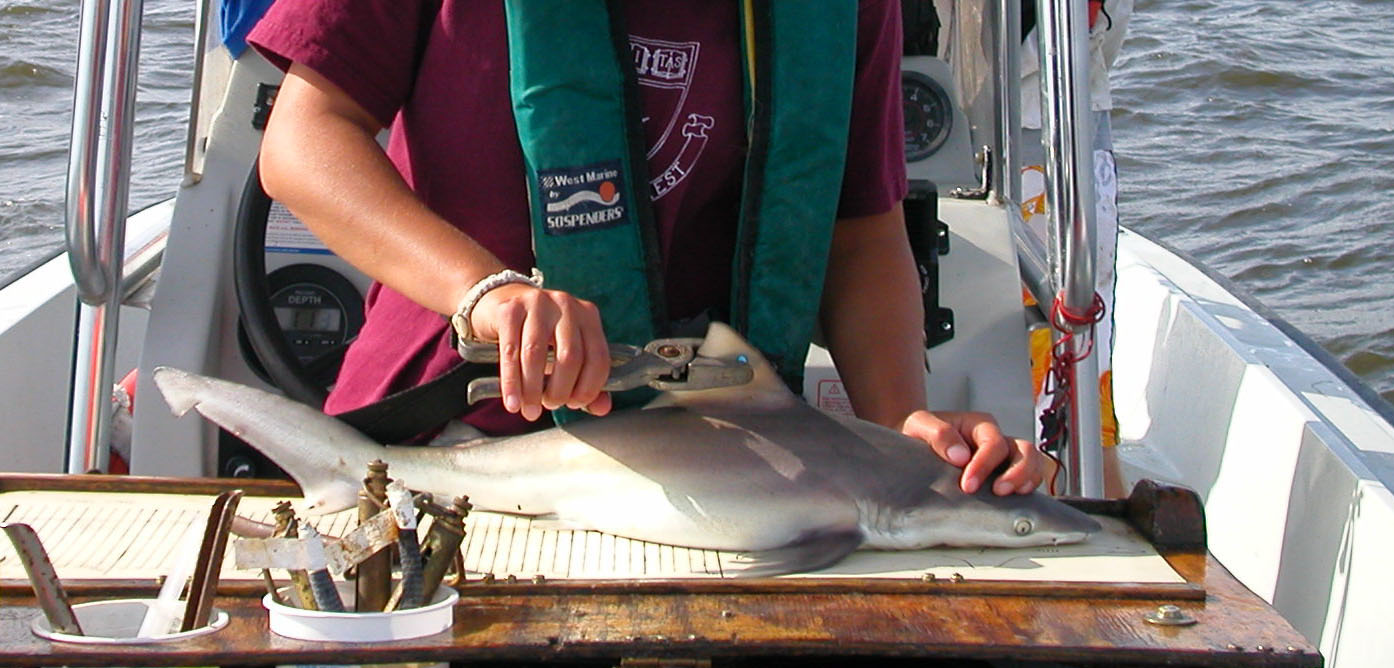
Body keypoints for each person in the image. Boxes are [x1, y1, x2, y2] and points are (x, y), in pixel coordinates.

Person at [246, 0, 1043, 496]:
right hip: (444, 439)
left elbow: (859, 231)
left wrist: (901, 436)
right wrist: (483, 292)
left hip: (724, 466)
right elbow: (302, 142)